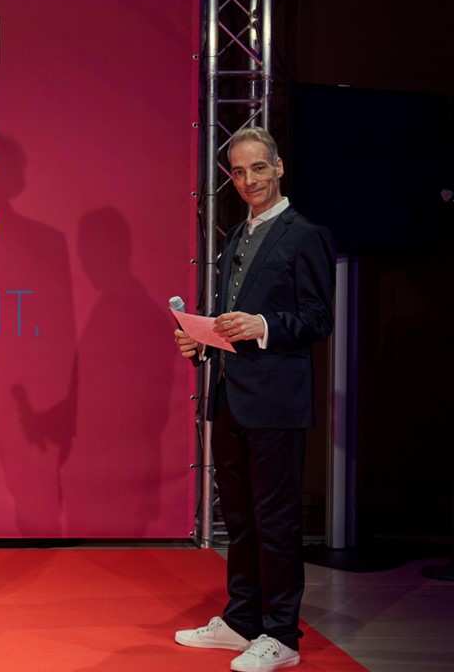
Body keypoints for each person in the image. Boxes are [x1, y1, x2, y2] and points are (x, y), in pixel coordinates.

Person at [173, 127, 335, 672]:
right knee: (241, 518)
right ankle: (242, 618)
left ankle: (281, 634)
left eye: (258, 169)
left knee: (277, 521)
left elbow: (318, 318)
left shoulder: (305, 234)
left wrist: (262, 324)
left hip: (278, 401)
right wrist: (201, 341)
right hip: (232, 396)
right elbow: (229, 321)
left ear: (279, 167)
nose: (249, 181)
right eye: (238, 172)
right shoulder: (236, 237)